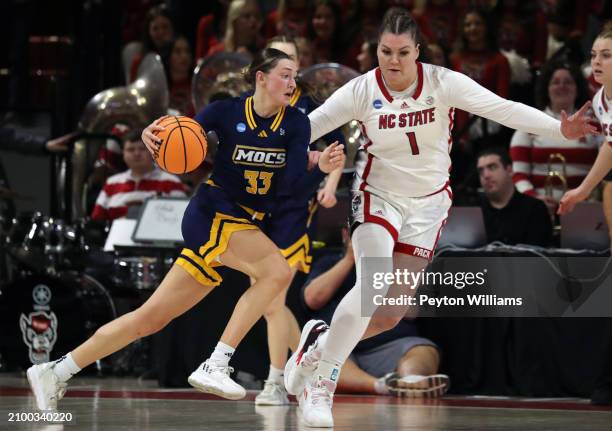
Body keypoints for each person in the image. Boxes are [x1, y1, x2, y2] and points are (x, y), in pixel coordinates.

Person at [284, 9, 597, 428]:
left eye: (402, 52)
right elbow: (306, 126)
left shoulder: (442, 82)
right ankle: (320, 384)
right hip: (377, 195)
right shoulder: (361, 89)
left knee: (390, 313)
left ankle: (318, 344)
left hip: (428, 204)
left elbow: (502, 108)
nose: (392, 61)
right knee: (372, 282)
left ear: (418, 52)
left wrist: (562, 130)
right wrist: (258, 142)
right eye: (384, 51)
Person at [26, 48, 345, 411]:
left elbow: (286, 191)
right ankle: (217, 362)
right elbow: (178, 130)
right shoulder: (225, 112)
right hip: (211, 213)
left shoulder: (296, 125)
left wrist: (319, 169)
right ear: (261, 77)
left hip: (244, 221)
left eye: (295, 75)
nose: (292, 83)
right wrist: (152, 131)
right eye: (285, 74)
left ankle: (55, 371)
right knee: (275, 271)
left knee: (149, 319)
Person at [252, 36, 344, 406]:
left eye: (289, 58)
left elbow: (337, 150)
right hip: (256, 210)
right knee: (267, 300)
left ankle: (277, 381)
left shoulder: (310, 106)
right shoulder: (251, 108)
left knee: (272, 299)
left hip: (293, 210)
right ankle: (304, 373)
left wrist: (330, 187)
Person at [301, 226, 449, 397]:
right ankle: (382, 386)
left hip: (388, 344)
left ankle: (410, 381)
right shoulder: (328, 261)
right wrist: (349, 260)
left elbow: (411, 312)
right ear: (346, 235)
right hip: (338, 344)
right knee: (320, 356)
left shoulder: (399, 265)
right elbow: (312, 299)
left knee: (423, 350)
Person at [510, 61, 598, 213]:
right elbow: (518, 175)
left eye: (568, 82)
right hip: (538, 211)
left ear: (577, 89)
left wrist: (588, 198)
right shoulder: (528, 124)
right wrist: (535, 200)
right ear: (547, 89)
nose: (562, 86)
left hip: (583, 209)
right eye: (555, 82)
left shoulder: (594, 125)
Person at [90, 130, 186, 221]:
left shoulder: (172, 182)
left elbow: (181, 220)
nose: (136, 153)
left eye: (142, 149)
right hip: (116, 236)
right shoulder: (111, 183)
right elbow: (97, 221)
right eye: (131, 149)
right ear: (123, 154)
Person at [477, 146, 552, 247]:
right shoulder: (474, 210)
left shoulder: (534, 208)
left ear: (509, 170)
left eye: (492, 167)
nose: (486, 175)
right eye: (481, 171)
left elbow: (540, 256)